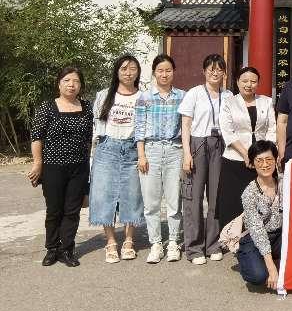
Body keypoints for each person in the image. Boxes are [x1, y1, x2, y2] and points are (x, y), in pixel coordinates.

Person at [28, 67, 93, 267]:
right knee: (54, 210)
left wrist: (88, 165)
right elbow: (37, 137)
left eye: (76, 81)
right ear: (59, 84)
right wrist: (38, 163)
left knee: (72, 211)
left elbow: (89, 139)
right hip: (53, 168)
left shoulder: (87, 107)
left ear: (81, 85)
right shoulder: (47, 107)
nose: (71, 85)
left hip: (79, 168)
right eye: (67, 80)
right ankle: (52, 249)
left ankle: (67, 250)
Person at [178, 53, 234, 265]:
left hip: (220, 145)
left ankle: (213, 244)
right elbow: (185, 125)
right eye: (211, 69)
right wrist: (186, 153)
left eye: (219, 69)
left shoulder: (228, 95)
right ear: (204, 71)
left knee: (216, 196)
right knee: (193, 197)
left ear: (224, 72)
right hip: (198, 144)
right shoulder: (194, 93)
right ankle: (194, 248)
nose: (215, 72)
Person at [89, 55, 144, 263]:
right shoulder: (104, 95)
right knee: (104, 195)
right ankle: (111, 241)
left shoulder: (144, 97)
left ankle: (129, 240)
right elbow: (96, 125)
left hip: (132, 149)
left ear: (138, 72)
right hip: (107, 148)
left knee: (133, 195)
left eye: (132, 69)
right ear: (117, 72)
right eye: (124, 69)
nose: (128, 73)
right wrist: (93, 154)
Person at [134, 54, 185, 264]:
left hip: (175, 150)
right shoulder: (144, 97)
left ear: (174, 72)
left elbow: (186, 127)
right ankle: (155, 243)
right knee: (151, 202)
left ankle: (173, 242)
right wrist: (141, 155)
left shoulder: (182, 96)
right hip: (151, 151)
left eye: (168, 70)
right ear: (154, 73)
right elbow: (139, 128)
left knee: (174, 201)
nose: (164, 74)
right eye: (160, 71)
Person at [219, 66, 276, 227]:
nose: (249, 84)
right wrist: (246, 154)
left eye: (253, 81)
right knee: (234, 201)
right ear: (237, 82)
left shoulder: (266, 101)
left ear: (258, 83)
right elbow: (228, 131)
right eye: (244, 81)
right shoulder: (229, 102)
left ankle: (261, 234)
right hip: (235, 158)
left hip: (262, 159)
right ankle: (233, 236)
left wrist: (266, 154)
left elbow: (272, 128)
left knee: (261, 200)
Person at [237, 140, 283, 290]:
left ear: (276, 160)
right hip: (256, 238)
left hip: (280, 236)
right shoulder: (249, 193)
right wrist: (271, 268)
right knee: (258, 276)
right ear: (252, 163)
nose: (265, 165)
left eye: (269, 159)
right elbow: (257, 231)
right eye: (259, 160)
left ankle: (275, 258)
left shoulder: (284, 183)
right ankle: (248, 257)